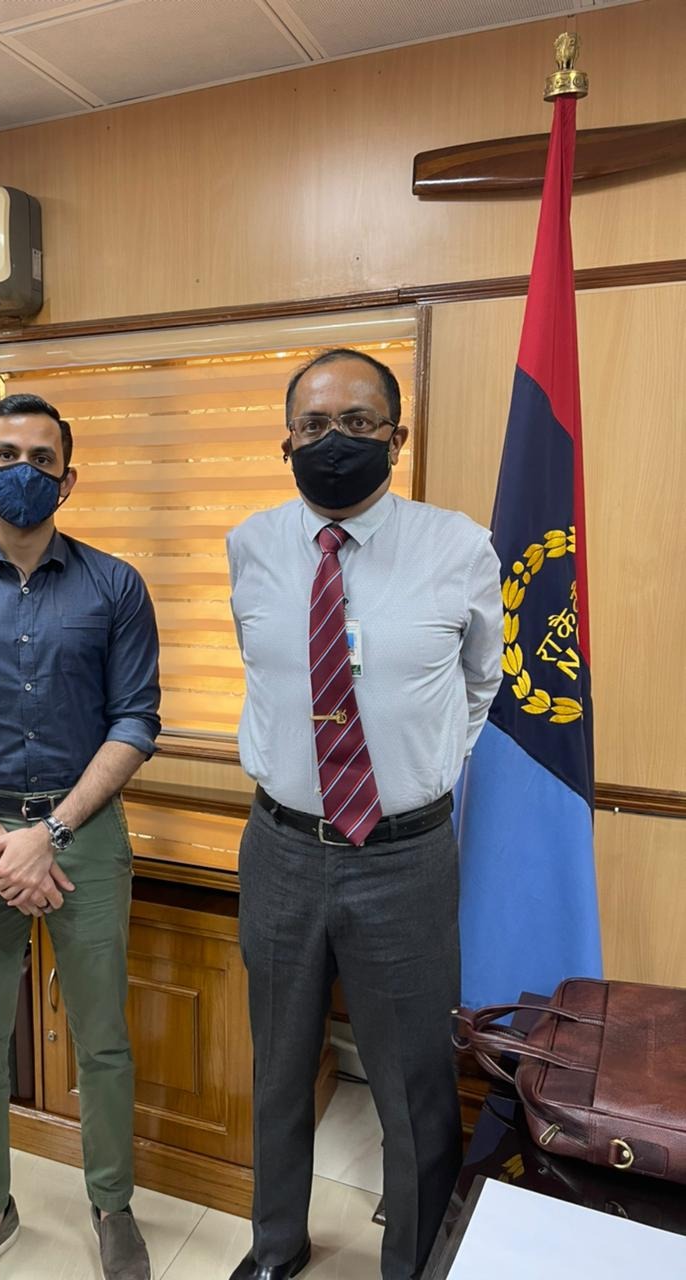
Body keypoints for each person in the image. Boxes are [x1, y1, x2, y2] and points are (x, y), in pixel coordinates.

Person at [226, 348, 503, 1280]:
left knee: (416, 1085)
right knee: (277, 1071)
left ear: (396, 436)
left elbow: (481, 684)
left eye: (356, 423)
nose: (333, 440)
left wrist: (421, 768)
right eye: (314, 425)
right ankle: (276, 1248)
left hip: (403, 860)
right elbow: (268, 678)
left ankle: (411, 1265)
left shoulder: (458, 547)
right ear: (286, 439)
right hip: (280, 849)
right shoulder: (250, 545)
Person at [0, 393, 160, 1280]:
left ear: (67, 479)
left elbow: (135, 722)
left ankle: (112, 1205)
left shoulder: (115, 586)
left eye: (42, 459)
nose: (24, 470)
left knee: (102, 1039)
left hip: (83, 832)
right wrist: (1, 842)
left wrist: (48, 831)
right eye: (6, 454)